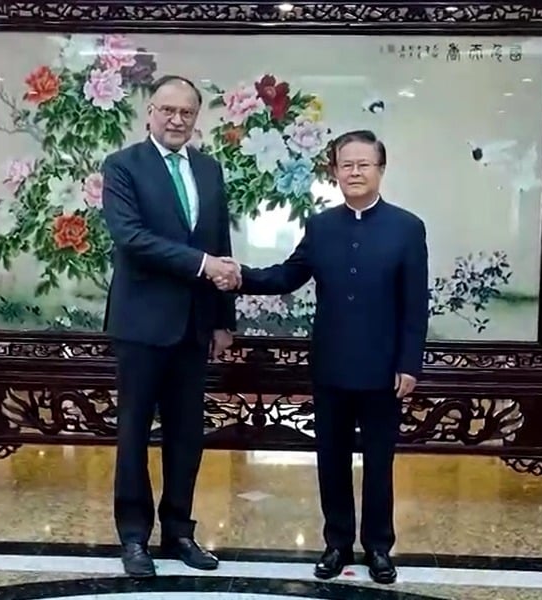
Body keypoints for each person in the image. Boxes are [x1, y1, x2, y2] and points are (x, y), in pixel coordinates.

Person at [214, 130, 429, 585]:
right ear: (334, 172)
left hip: (384, 370)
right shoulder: (321, 226)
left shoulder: (407, 228)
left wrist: (409, 363)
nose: (354, 172)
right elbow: (288, 275)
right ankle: (337, 544)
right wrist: (240, 277)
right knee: (330, 460)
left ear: (380, 170)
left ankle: (379, 547)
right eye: (346, 165)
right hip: (331, 365)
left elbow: (415, 304)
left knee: (379, 463)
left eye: (363, 164)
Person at [100, 74, 240, 578]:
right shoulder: (123, 166)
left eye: (187, 112)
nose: (177, 120)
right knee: (134, 433)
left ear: (196, 117)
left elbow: (220, 242)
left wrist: (223, 320)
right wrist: (203, 265)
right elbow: (131, 237)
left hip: (194, 327)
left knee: (186, 435)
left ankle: (179, 530)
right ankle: (134, 537)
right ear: (150, 113)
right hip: (141, 324)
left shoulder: (208, 168)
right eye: (168, 110)